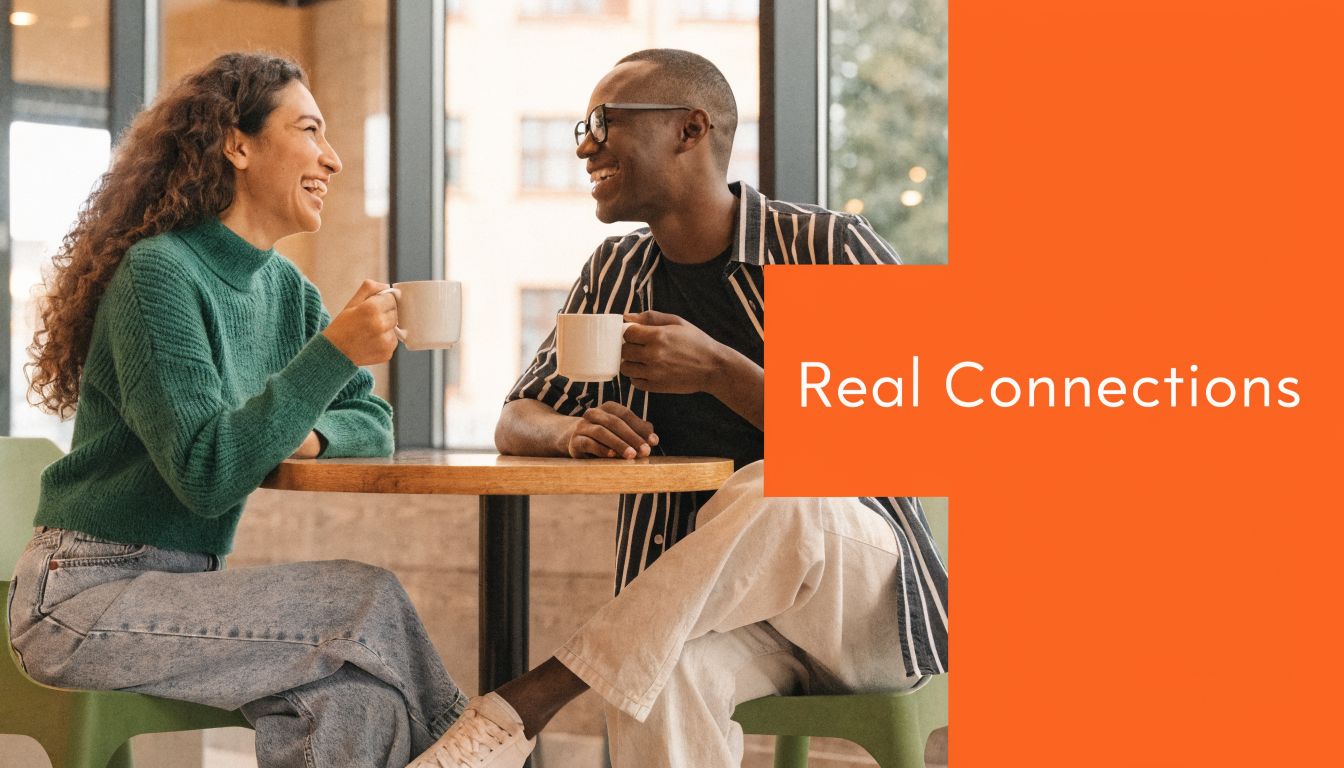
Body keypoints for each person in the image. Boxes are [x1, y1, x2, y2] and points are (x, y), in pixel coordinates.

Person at [406, 49, 948, 768]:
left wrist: (725, 373)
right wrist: (570, 431)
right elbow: (517, 414)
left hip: (865, 609)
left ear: (690, 130)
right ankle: (529, 705)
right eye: (582, 126)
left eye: (603, 123)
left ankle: (531, 700)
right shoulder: (617, 271)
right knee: (655, 680)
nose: (583, 145)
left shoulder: (822, 247)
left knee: (782, 490)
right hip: (727, 620)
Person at [7, 52, 466, 767]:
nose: (334, 159)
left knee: (357, 700)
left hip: (184, 592)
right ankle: (467, 743)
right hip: (80, 601)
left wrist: (308, 434)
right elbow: (208, 472)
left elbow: (373, 425)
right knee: (363, 596)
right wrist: (335, 352)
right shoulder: (159, 274)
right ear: (238, 143)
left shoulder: (287, 291)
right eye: (310, 130)